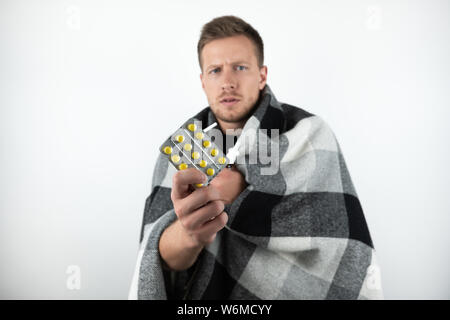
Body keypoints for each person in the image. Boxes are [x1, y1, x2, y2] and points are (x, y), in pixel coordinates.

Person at [129, 15, 383, 300]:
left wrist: (244, 190)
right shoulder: (180, 151)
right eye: (215, 70)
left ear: (262, 75)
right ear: (202, 82)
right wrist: (190, 234)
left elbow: (341, 241)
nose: (227, 82)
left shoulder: (310, 133)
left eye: (239, 67)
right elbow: (157, 261)